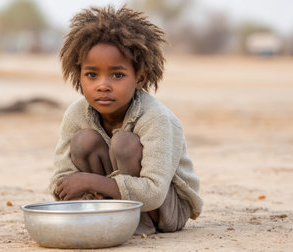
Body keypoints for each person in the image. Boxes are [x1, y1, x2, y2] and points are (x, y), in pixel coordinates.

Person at [49, 5, 203, 236]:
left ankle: (140, 222)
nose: (103, 85)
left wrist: (91, 183)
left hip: (166, 209)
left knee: (124, 143)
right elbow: (61, 178)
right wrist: (77, 193)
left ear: (139, 79)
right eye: (92, 75)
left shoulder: (156, 118)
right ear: (79, 77)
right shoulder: (76, 114)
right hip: (117, 197)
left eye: (117, 75)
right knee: (84, 140)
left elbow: (153, 192)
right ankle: (110, 213)